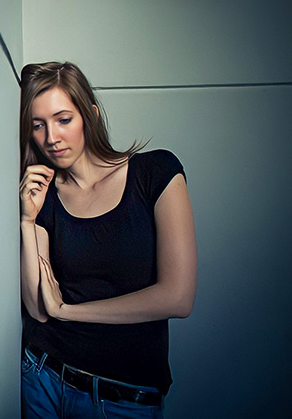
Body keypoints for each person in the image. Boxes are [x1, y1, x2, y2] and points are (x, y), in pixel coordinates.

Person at [19, 62, 197, 418]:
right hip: (44, 379)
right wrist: (27, 219)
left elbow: (178, 297)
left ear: (91, 116)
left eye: (63, 119)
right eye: (38, 125)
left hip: (123, 399)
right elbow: (39, 310)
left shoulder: (155, 173)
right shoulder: (46, 196)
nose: (51, 137)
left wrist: (68, 311)